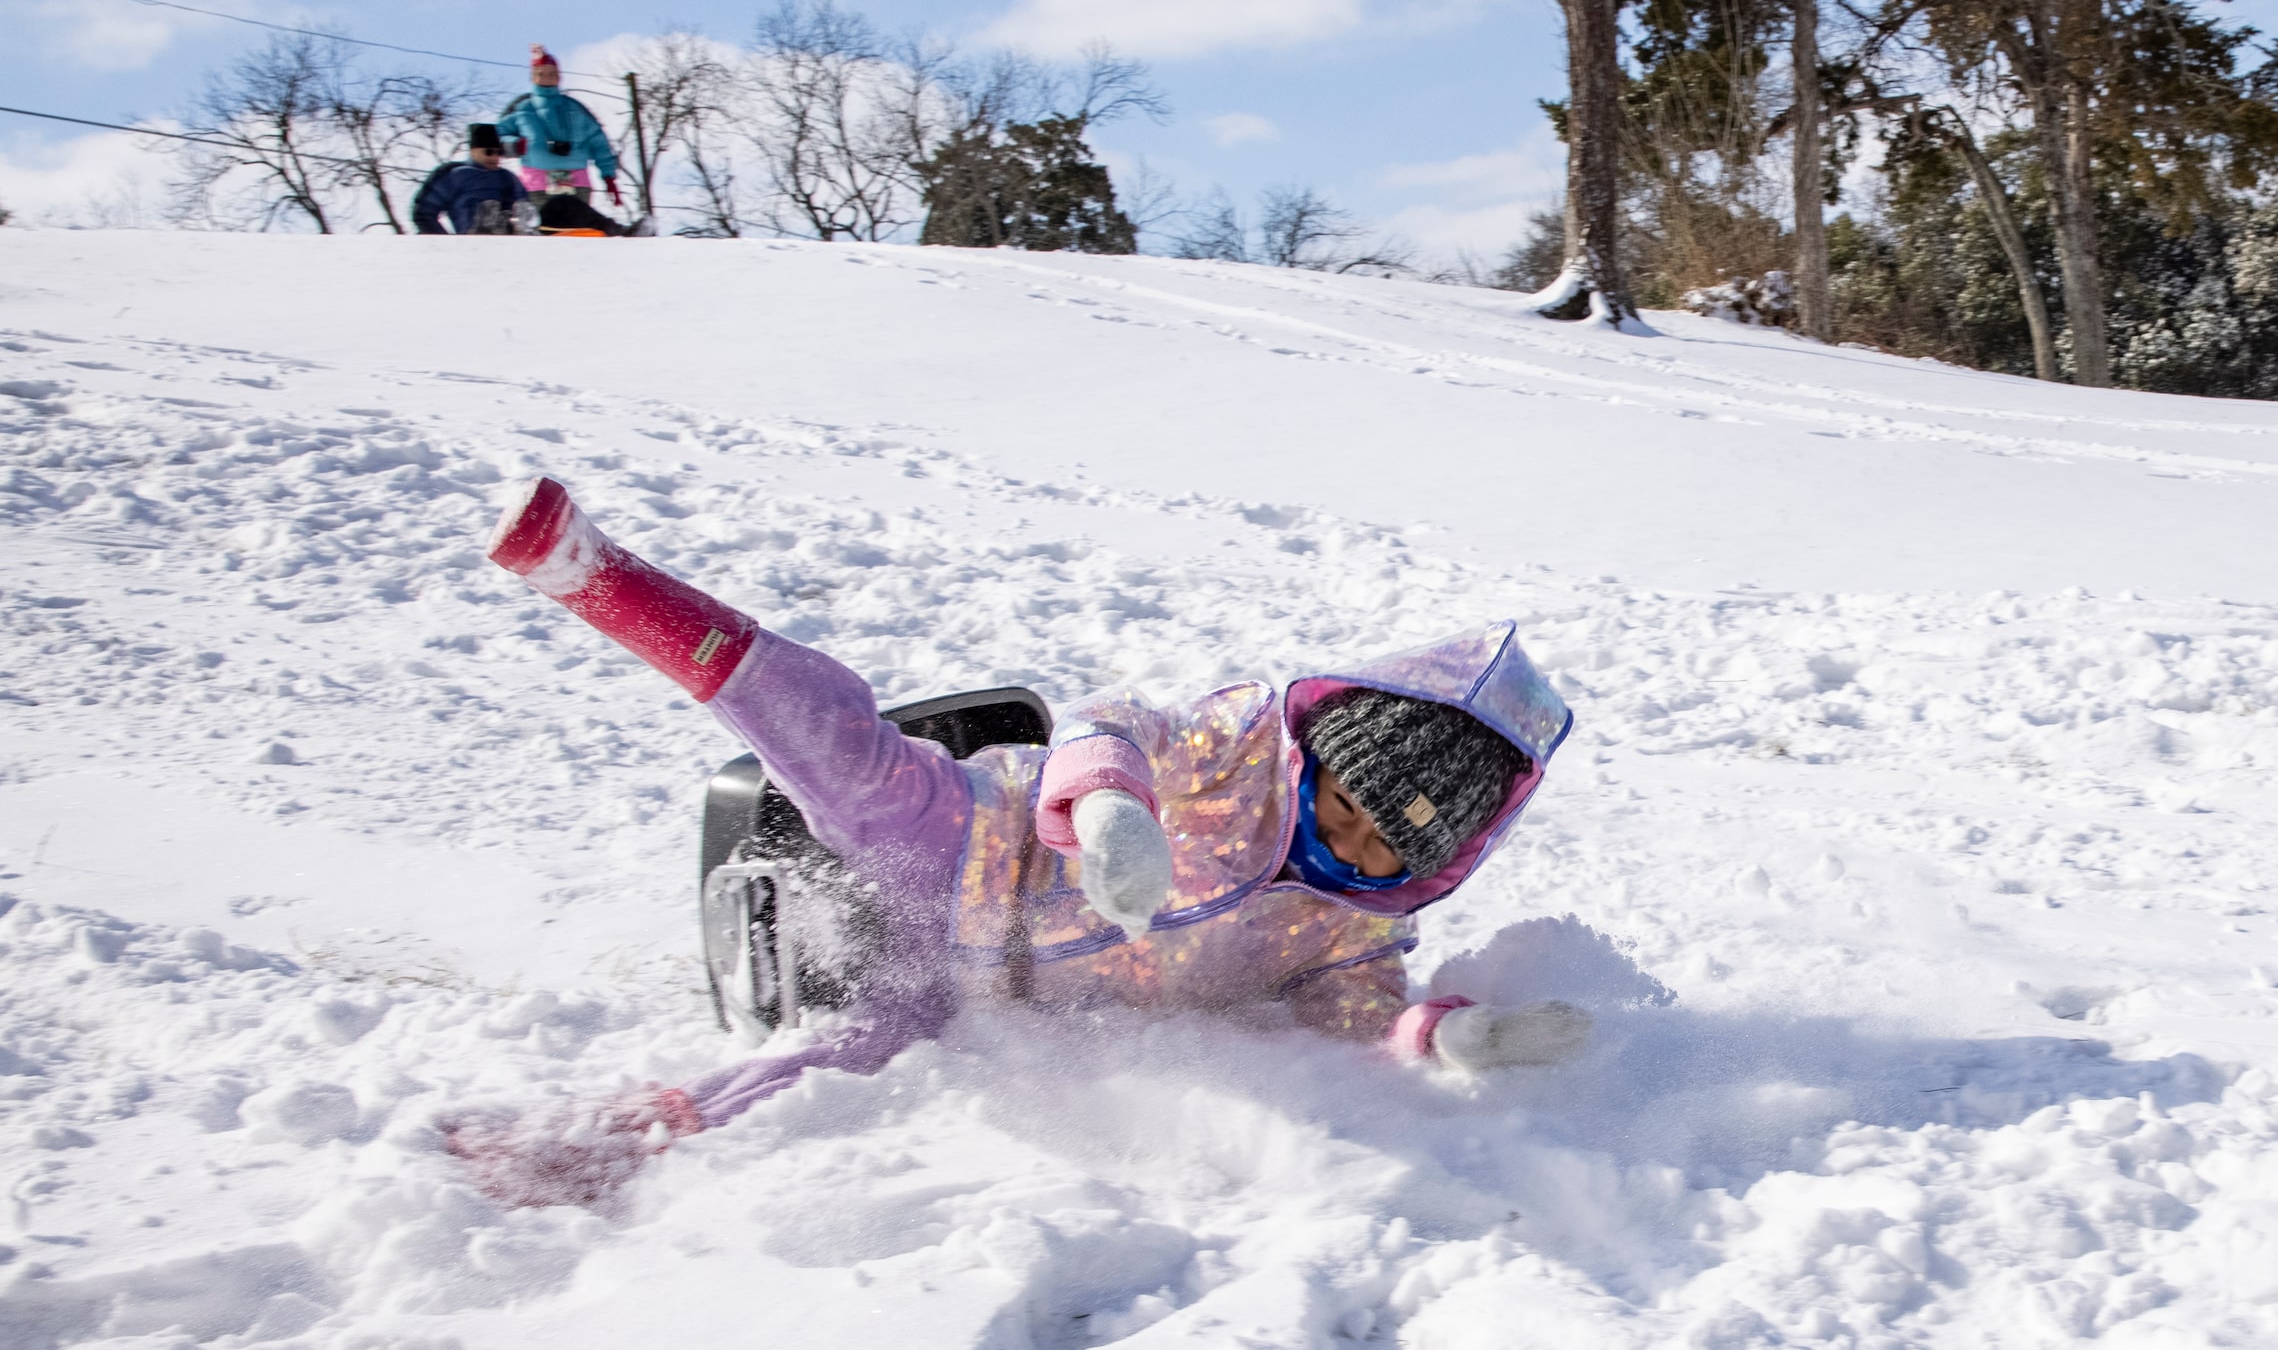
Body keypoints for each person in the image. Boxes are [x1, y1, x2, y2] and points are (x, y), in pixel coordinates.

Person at [447, 477, 1592, 1209]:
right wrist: (1109, 809)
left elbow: (1357, 1020)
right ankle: (596, 578)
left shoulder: (1346, 936)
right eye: (1339, 796)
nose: (1339, 835)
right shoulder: (1239, 747)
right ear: (1323, 747)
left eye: (1382, 841)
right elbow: (1115, 721)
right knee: (831, 746)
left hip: (978, 997)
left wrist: (1453, 1034)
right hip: (974, 845)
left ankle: (621, 1137)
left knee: (828, 1066)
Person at [495, 44, 627, 230]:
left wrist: (608, 176)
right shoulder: (523, 110)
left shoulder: (575, 109)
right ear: (533, 77)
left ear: (559, 76)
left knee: (576, 226)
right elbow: (495, 136)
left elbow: (599, 142)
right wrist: (515, 146)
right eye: (541, 73)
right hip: (537, 185)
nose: (546, 78)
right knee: (542, 227)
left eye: (551, 73)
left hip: (576, 183)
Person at [409, 124, 529, 235]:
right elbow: (424, 212)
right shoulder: (454, 174)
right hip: (471, 244)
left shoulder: (508, 177)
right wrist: (445, 243)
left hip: (509, 245)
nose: (495, 156)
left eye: (499, 152)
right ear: (473, 152)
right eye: (489, 152)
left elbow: (525, 210)